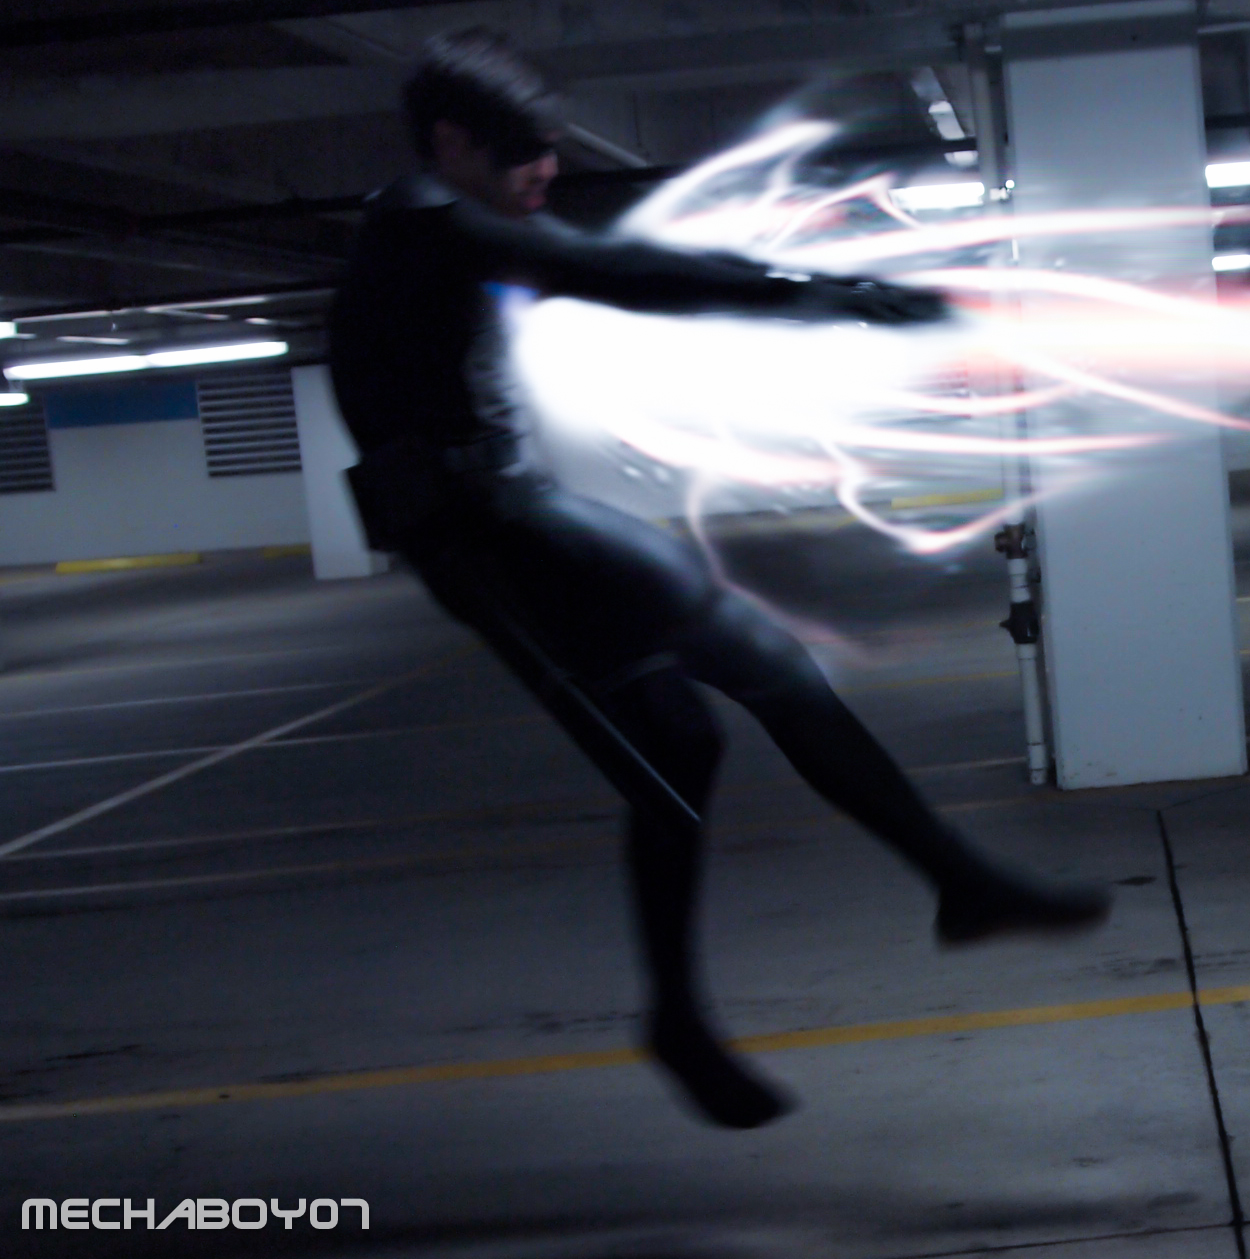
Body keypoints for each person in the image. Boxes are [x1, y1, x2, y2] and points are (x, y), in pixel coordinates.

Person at [329, 28, 1109, 1130]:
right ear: (454, 143)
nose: (546, 172)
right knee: (686, 745)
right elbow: (620, 274)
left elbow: (599, 269)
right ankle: (714, 1004)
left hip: (523, 515)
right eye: (522, 153)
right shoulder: (420, 224)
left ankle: (940, 894)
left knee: (729, 707)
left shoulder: (446, 227)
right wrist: (826, 295)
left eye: (549, 150)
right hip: (487, 541)